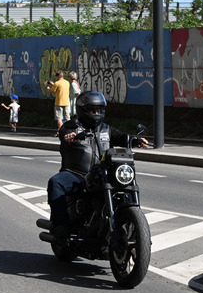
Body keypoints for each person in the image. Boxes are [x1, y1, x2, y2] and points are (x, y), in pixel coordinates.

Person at [46, 91, 148, 237]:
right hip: (76, 175)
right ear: (82, 110)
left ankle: (132, 225)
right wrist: (69, 136)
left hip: (101, 174)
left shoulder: (106, 129)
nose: (96, 113)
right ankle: (60, 225)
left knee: (124, 184)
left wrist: (135, 139)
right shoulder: (72, 126)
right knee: (56, 182)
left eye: (99, 109)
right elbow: (64, 132)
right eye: (92, 110)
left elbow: (121, 136)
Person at [44, 70, 70, 135]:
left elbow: (51, 91)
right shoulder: (67, 82)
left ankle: (61, 132)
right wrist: (53, 84)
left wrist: (47, 86)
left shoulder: (57, 83)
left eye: (56, 77)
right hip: (66, 102)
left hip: (59, 103)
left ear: (58, 76)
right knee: (67, 118)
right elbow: (60, 88)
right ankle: (69, 130)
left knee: (59, 118)